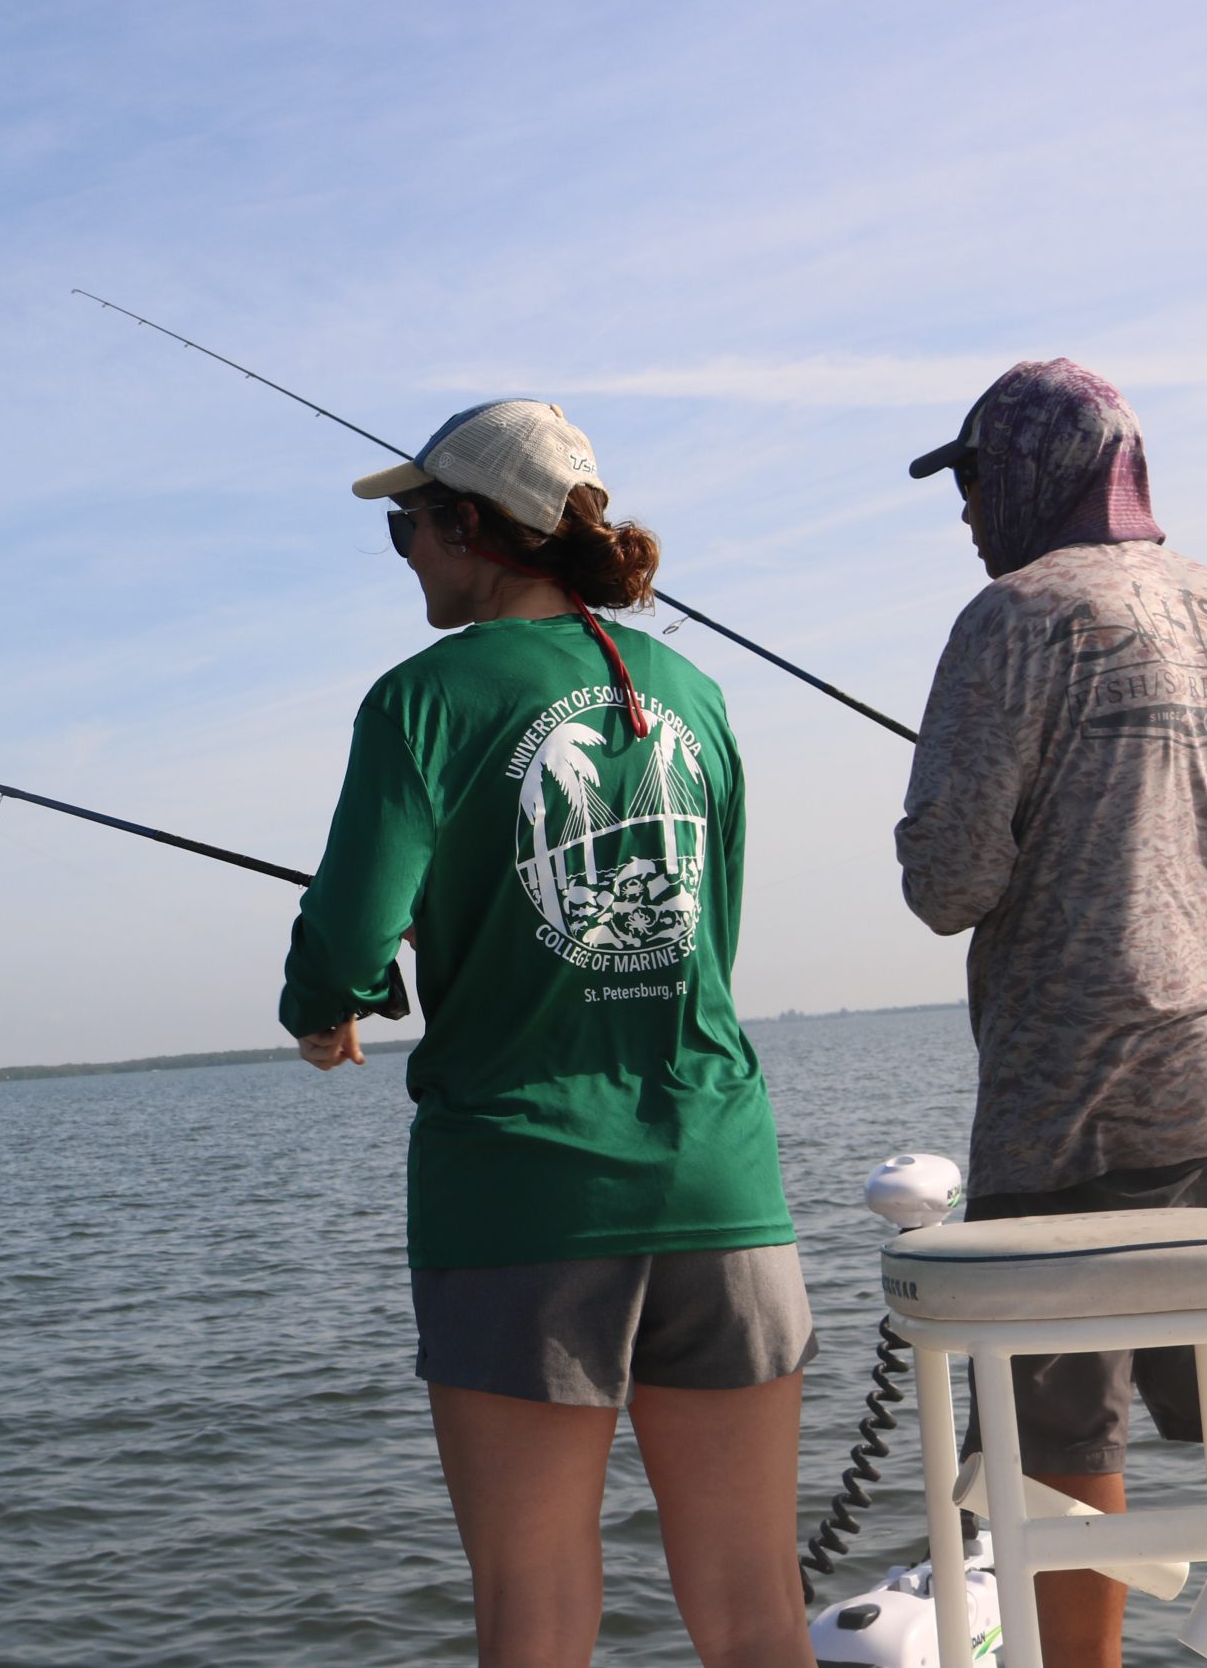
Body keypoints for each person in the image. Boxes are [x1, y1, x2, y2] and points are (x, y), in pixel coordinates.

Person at [282, 399, 815, 1668]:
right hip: (722, 1180)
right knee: (755, 1608)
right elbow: (706, 929)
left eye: (409, 523)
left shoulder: (422, 697)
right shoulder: (693, 693)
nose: (404, 546)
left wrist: (324, 1014)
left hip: (520, 1191)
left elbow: (348, 936)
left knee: (532, 1605)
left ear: (473, 526)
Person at [896, 359, 1207, 1668]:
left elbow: (946, 880)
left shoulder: (1010, 618)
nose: (968, 513)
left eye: (974, 478)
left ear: (1034, 473)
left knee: (1054, 1445)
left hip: (1075, 1115)